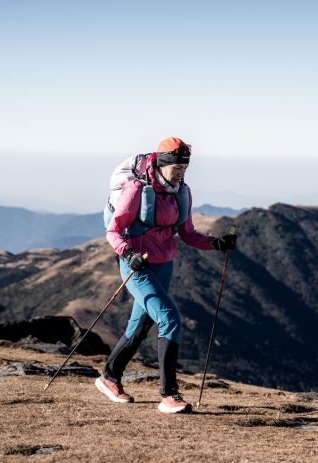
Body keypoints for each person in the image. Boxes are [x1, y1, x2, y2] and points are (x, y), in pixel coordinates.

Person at [95, 137, 236, 414]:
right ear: (162, 163)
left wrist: (216, 243)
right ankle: (169, 395)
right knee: (169, 318)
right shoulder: (137, 189)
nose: (181, 172)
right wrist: (128, 254)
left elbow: (187, 233)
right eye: (177, 167)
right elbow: (113, 231)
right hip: (137, 266)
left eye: (185, 167)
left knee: (141, 325)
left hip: (164, 264)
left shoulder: (182, 192)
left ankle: (109, 377)